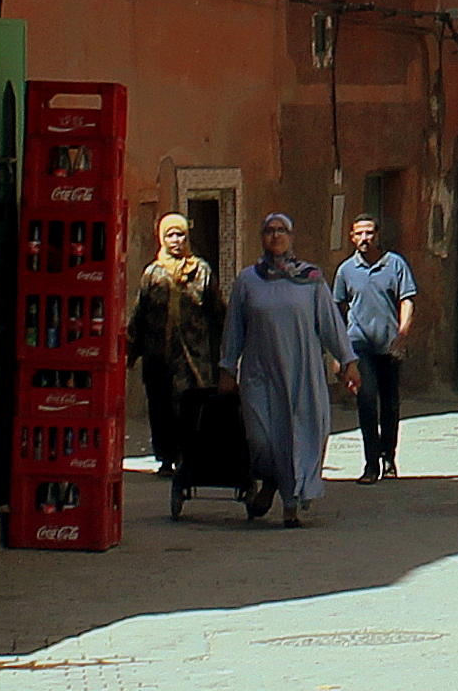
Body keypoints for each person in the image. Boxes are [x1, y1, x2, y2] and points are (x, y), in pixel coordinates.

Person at [227, 214, 346, 526]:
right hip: (259, 373)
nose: (275, 236)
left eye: (282, 231)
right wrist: (227, 368)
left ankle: (290, 505)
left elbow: (331, 325)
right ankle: (270, 479)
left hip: (301, 373)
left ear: (291, 237)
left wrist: (348, 362)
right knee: (261, 439)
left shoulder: (311, 279)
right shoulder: (248, 281)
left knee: (299, 436)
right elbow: (234, 329)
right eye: (269, 231)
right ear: (261, 237)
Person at [126, 208, 237, 514]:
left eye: (180, 235)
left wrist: (227, 351)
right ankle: (165, 458)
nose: (176, 241)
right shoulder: (152, 273)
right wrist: (131, 349)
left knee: (188, 406)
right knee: (160, 407)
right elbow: (139, 313)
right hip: (158, 356)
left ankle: (189, 457)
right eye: (170, 235)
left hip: (193, 357)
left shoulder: (200, 271)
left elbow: (218, 311)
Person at [331, 214, 421, 482]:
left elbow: (407, 299)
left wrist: (403, 332)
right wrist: (340, 353)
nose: (364, 238)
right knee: (367, 400)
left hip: (389, 344)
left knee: (390, 403)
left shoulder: (395, 265)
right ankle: (371, 464)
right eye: (359, 234)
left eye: (369, 233)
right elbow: (337, 310)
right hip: (359, 344)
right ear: (351, 237)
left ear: (377, 235)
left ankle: (388, 456)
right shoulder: (346, 270)